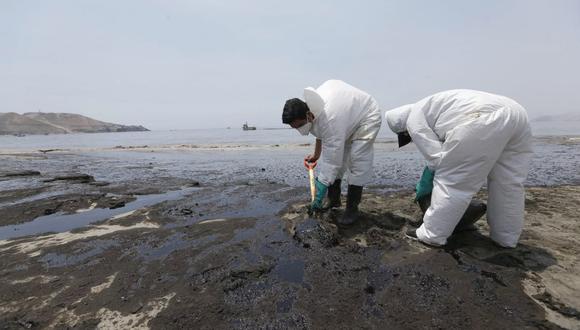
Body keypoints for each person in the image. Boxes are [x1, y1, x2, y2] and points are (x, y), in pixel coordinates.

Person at [385, 89, 533, 248]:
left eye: (407, 135)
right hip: (517, 114)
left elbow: (436, 160)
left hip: (480, 118)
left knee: (452, 183)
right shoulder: (430, 107)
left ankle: (432, 235)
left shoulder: (413, 118)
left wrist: (425, 184)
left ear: (402, 126)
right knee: (509, 183)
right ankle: (505, 238)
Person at [282, 79, 382, 224]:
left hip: (366, 115)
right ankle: (334, 200)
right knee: (339, 160)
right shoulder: (309, 108)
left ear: (309, 115)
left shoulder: (329, 118)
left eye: (300, 125)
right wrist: (316, 155)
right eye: (295, 128)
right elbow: (321, 133)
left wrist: (321, 186)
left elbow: (331, 159)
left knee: (357, 160)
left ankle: (352, 210)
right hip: (345, 118)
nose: (299, 130)